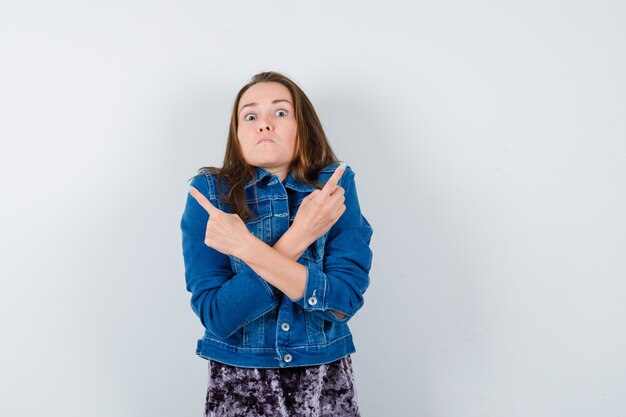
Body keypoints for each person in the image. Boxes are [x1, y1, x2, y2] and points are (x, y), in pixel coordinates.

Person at [180, 71, 373, 417]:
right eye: (250, 116)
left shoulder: (335, 188)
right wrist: (301, 236)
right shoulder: (209, 195)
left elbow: (344, 301)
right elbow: (219, 318)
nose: (264, 124)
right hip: (238, 384)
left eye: (280, 112)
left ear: (303, 128)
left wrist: (246, 247)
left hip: (324, 381)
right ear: (237, 135)